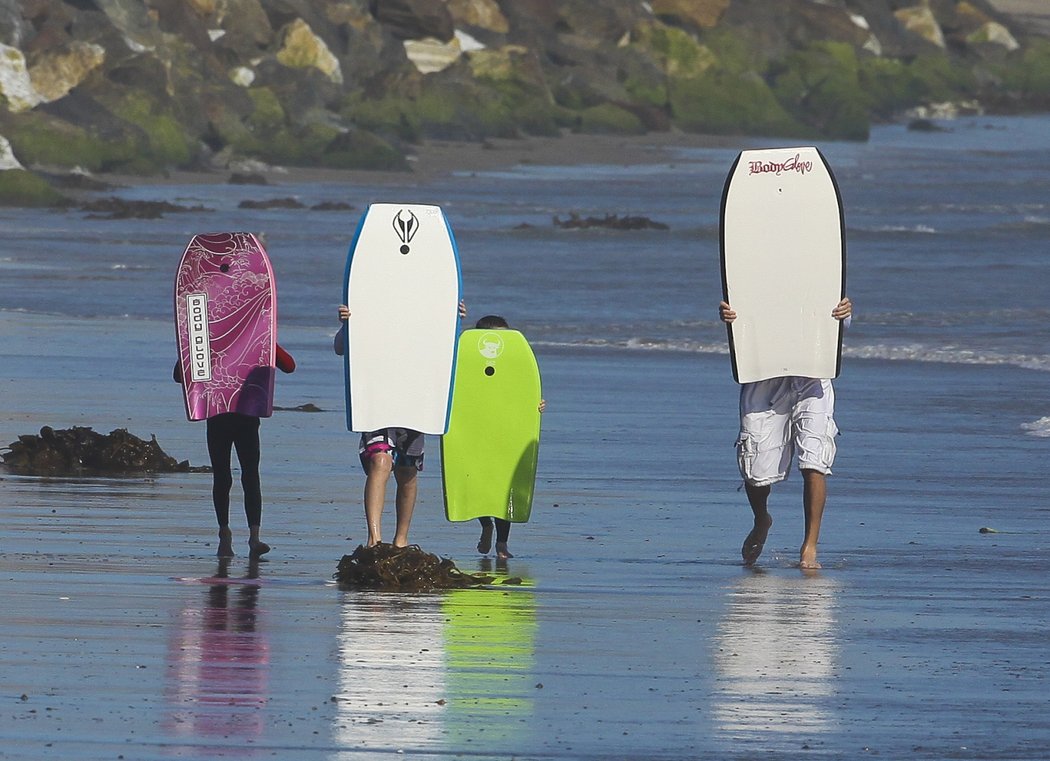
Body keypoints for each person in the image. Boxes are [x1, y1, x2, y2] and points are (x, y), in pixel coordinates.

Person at [718, 296, 852, 570]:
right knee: (756, 471)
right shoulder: (755, 261)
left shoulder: (815, 259)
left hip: (813, 373)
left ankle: (809, 547)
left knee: (814, 459)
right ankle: (761, 519)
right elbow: (744, 303)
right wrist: (729, 316)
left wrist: (844, 314)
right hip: (764, 373)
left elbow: (833, 314)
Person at [334, 301, 466, 548]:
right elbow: (341, 348)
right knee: (380, 461)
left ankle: (401, 540)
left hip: (415, 402)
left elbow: (446, 349)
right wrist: (347, 326)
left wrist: (453, 321)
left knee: (407, 472)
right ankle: (374, 538)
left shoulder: (419, 307)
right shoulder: (372, 302)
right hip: (377, 401)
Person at [174, 345, 296, 559]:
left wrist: (267, 336)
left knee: (241, 476)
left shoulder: (247, 336)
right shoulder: (209, 338)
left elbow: (288, 366)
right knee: (231, 476)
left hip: (237, 415)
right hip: (226, 414)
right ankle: (227, 533)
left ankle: (252, 537)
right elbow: (178, 374)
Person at [470, 315, 546, 560]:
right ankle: (485, 526)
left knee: (505, 484)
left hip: (507, 431)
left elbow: (523, 389)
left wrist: (537, 404)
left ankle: (502, 543)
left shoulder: (515, 362)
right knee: (479, 481)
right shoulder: (468, 361)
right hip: (477, 430)